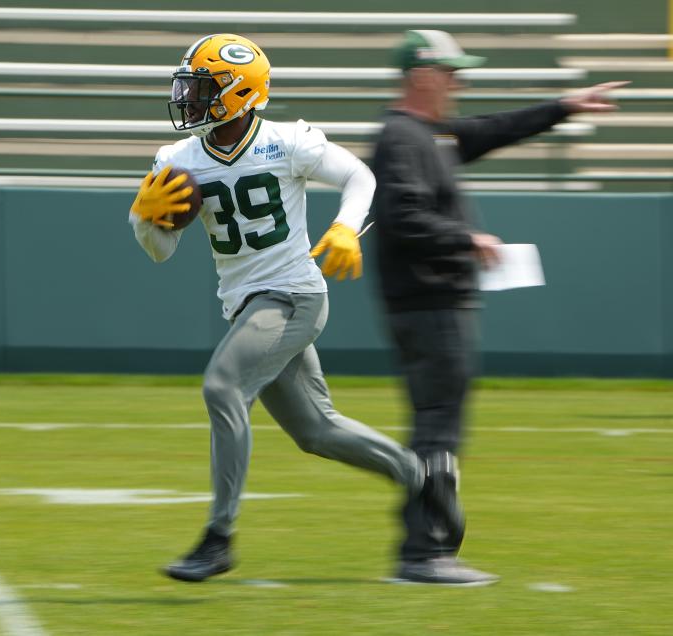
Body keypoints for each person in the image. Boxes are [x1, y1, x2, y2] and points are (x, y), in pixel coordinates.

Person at [128, 33, 460, 583]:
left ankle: (219, 538)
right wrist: (144, 218)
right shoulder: (177, 159)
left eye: (202, 88)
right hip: (248, 307)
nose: (187, 98)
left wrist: (346, 228)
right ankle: (421, 475)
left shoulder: (285, 141)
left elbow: (360, 176)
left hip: (294, 295)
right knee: (317, 432)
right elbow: (161, 252)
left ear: (237, 92)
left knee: (222, 387)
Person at [370, 29, 626, 585]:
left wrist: (563, 107)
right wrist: (468, 239)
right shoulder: (401, 138)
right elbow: (402, 217)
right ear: (422, 76)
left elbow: (494, 129)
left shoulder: (429, 134)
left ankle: (426, 548)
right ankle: (424, 554)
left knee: (438, 425)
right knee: (438, 427)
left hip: (439, 303)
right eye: (451, 72)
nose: (458, 82)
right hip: (428, 303)